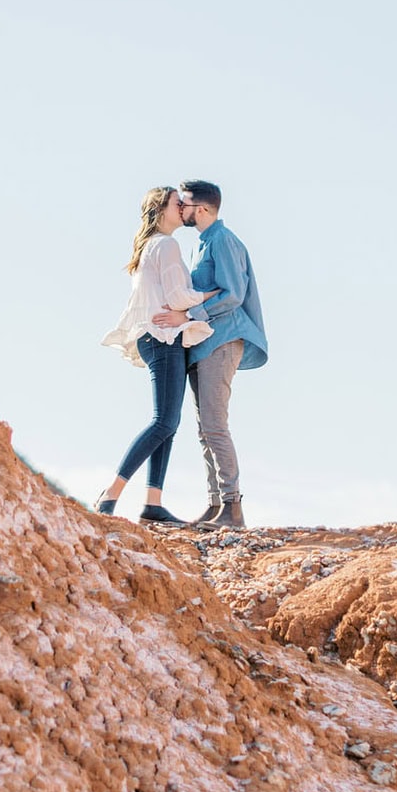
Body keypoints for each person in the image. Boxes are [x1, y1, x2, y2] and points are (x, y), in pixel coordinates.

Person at [96, 185, 218, 523]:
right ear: (161, 210)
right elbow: (178, 294)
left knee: (167, 423)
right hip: (164, 338)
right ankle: (111, 494)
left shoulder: (151, 246)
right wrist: (211, 295)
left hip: (156, 339)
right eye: (176, 203)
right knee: (164, 421)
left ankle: (153, 502)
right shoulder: (166, 244)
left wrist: (185, 313)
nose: (182, 207)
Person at [151, 179, 266, 529]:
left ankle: (232, 507)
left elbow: (232, 294)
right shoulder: (200, 246)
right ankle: (216, 505)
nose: (180, 208)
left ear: (201, 209)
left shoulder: (224, 242)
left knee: (215, 425)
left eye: (184, 203)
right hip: (203, 343)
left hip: (223, 339)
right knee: (205, 428)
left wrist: (187, 316)